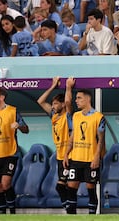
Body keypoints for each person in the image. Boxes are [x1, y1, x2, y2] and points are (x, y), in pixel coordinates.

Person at [0, 87, 29, 214]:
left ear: (2, 97)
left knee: (5, 183)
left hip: (10, 154)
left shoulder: (13, 111)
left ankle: (12, 212)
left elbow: (26, 129)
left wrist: (19, 126)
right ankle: (2, 215)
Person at [63, 89, 106, 214]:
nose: (76, 101)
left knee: (90, 188)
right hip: (75, 159)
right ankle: (71, 217)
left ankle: (92, 216)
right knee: (71, 187)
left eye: (79, 98)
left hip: (90, 160)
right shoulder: (76, 116)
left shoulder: (99, 117)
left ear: (88, 99)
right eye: (76, 98)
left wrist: (97, 157)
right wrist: (66, 153)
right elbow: (73, 136)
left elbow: (101, 140)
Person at [37, 76, 75, 209]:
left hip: (70, 155)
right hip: (60, 156)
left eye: (55, 104)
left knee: (63, 186)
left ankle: (69, 209)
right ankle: (69, 208)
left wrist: (68, 87)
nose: (53, 106)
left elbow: (69, 102)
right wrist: (53, 86)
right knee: (63, 186)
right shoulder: (54, 117)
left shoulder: (67, 116)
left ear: (62, 104)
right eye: (52, 104)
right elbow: (40, 101)